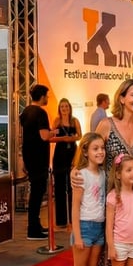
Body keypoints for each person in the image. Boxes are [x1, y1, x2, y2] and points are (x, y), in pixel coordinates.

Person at [69, 134, 110, 266]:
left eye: (102, 148)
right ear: (85, 151)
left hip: (99, 227)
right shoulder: (80, 174)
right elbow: (75, 207)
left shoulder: (102, 174)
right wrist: (77, 235)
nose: (100, 152)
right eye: (95, 148)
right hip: (84, 227)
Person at [23, 85, 56, 240]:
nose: (47, 98)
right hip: (39, 158)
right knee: (37, 194)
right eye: (47, 96)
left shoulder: (26, 112)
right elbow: (44, 136)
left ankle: (35, 226)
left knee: (35, 193)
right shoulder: (40, 113)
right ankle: (33, 230)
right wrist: (54, 132)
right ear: (42, 96)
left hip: (29, 157)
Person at [51, 99, 82, 239]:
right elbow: (51, 137)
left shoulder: (75, 121)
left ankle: (73, 221)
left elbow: (80, 136)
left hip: (71, 154)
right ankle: (61, 222)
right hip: (59, 155)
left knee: (72, 189)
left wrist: (72, 138)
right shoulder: (57, 121)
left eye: (66, 106)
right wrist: (63, 138)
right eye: (62, 106)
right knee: (59, 189)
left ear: (70, 108)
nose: (64, 109)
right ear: (59, 108)